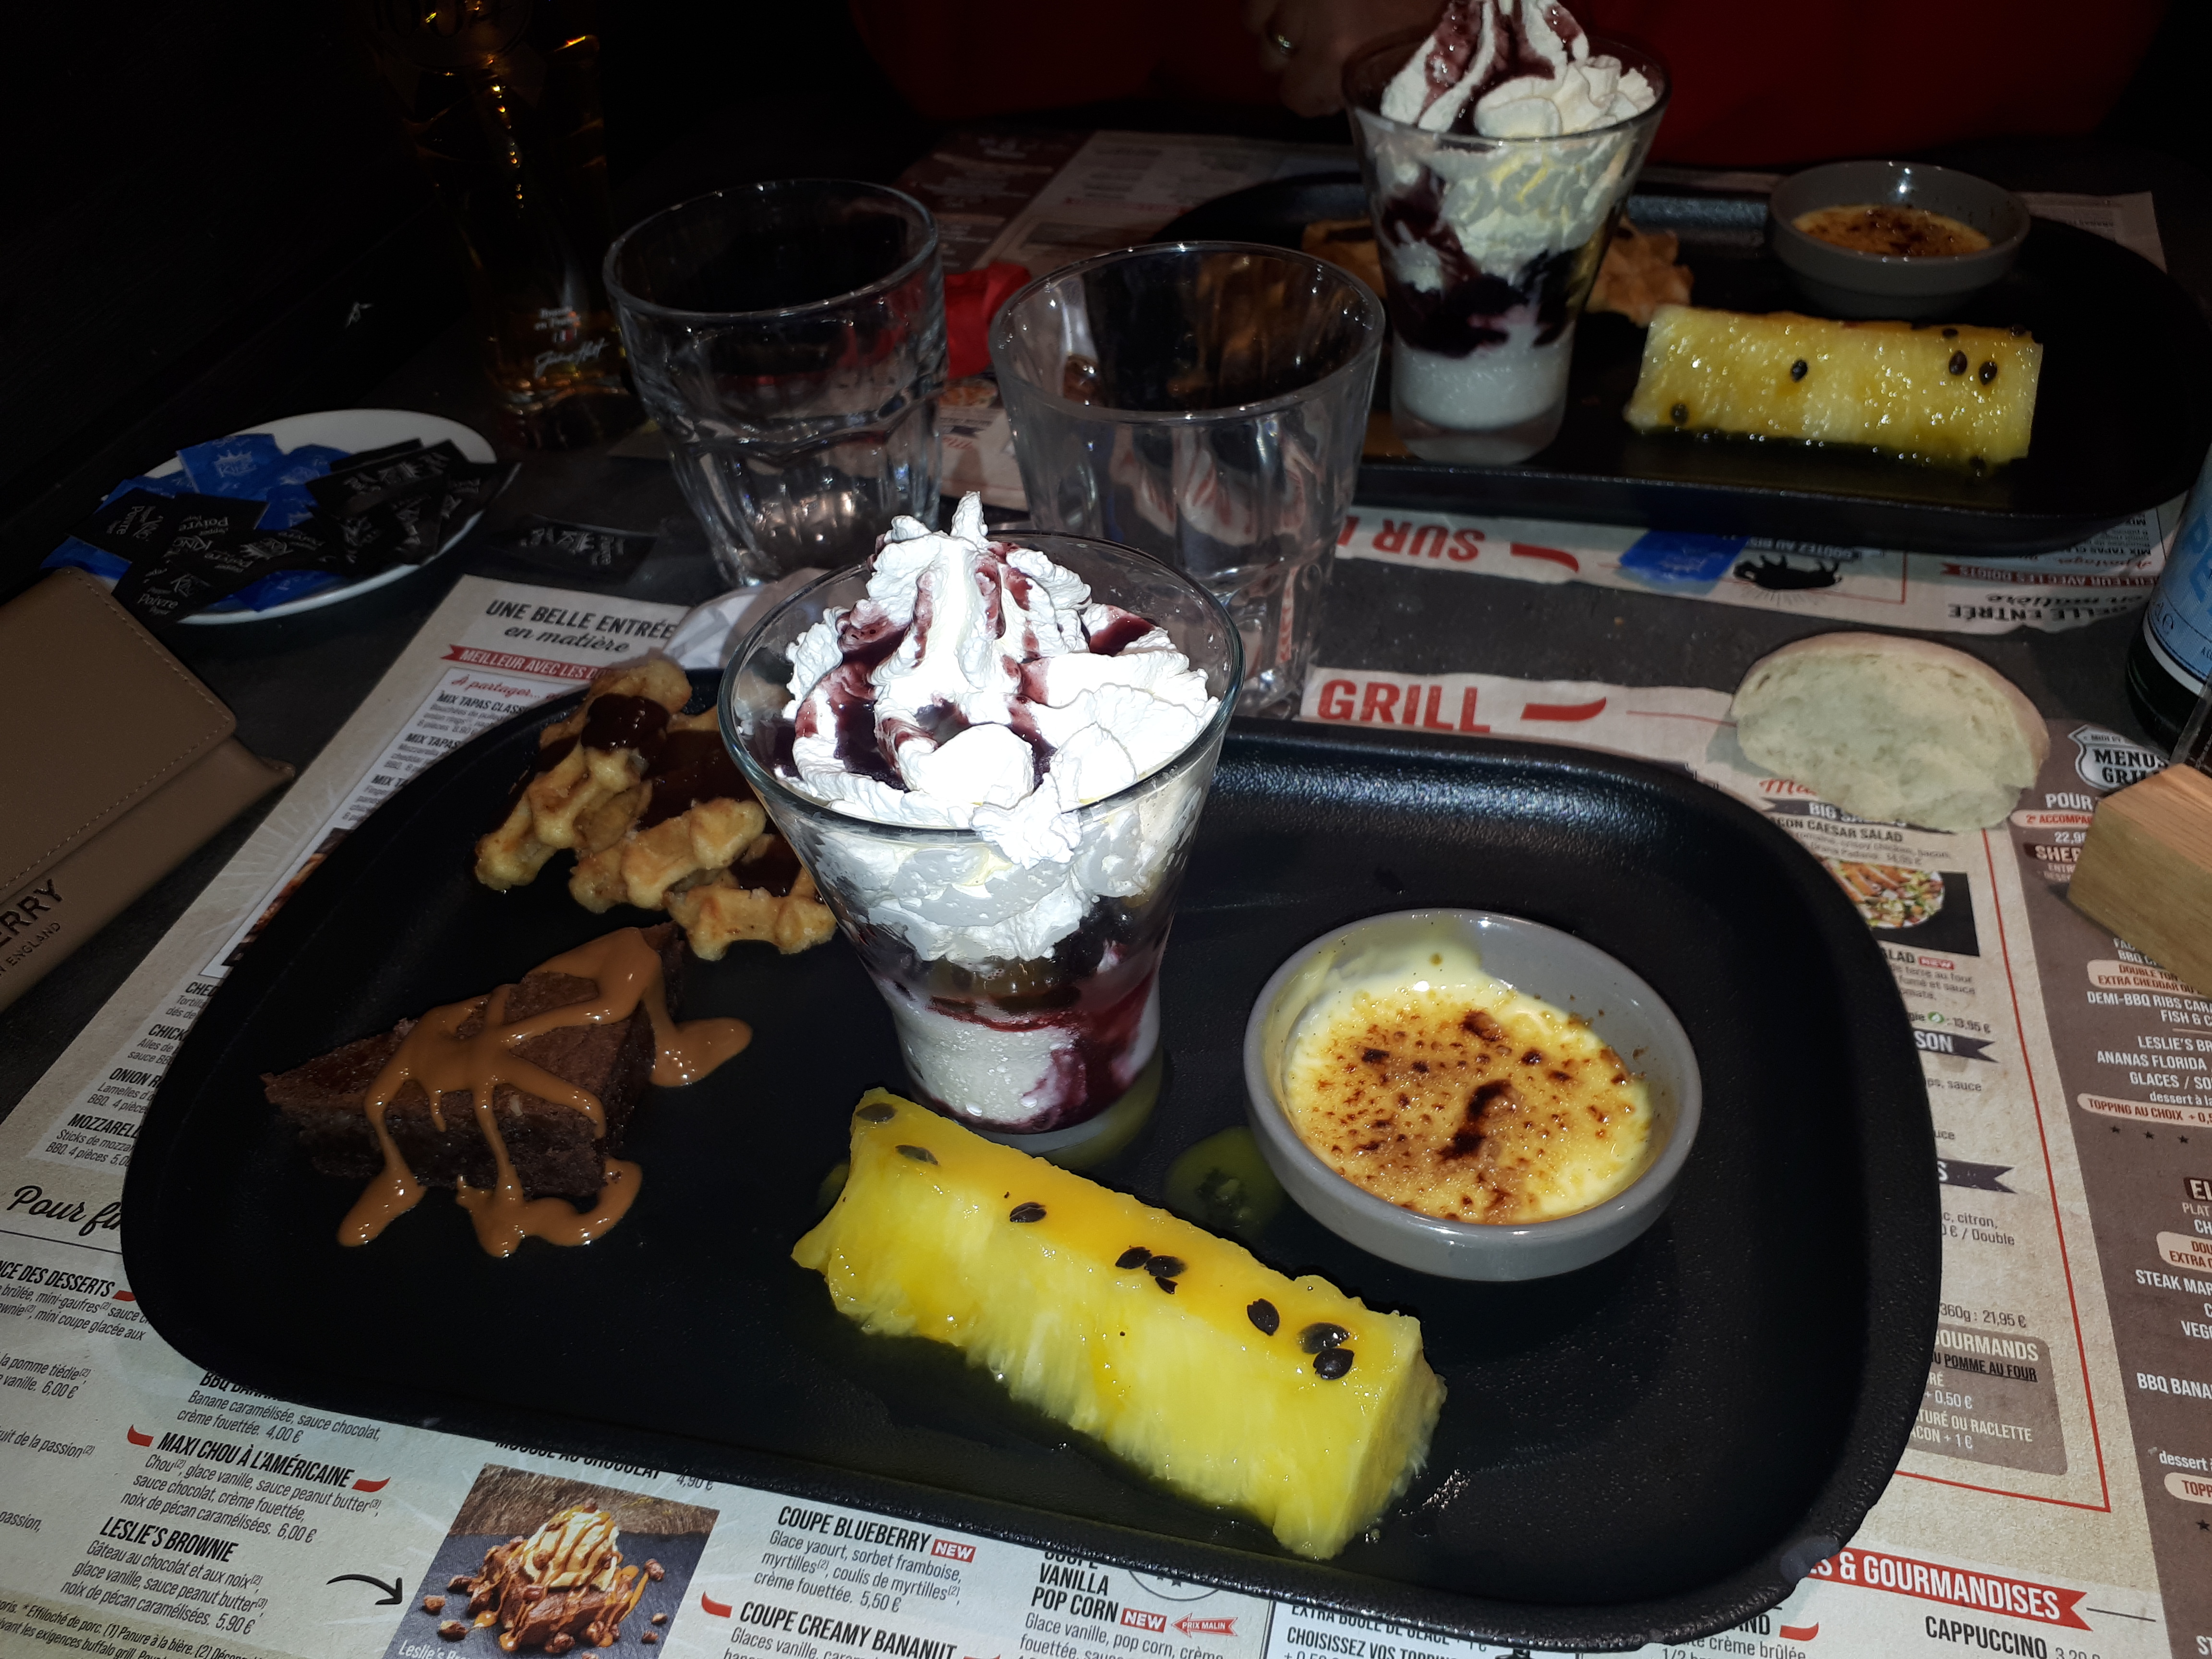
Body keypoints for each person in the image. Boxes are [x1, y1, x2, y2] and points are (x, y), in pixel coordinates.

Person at [850, 0, 2167, 167]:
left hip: (1835, 157)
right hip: (1211, 155)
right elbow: (944, 43)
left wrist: (1482, 26)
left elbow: (2066, 49)